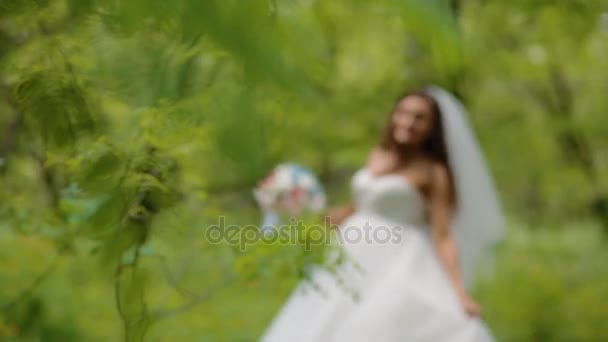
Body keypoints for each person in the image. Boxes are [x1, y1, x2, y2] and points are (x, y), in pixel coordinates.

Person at [259, 86, 505, 341]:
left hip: (399, 259)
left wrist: (460, 293)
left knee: (378, 324)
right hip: (350, 251)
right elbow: (357, 207)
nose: (408, 122)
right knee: (326, 318)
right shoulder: (379, 154)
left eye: (420, 117)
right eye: (404, 112)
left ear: (432, 127)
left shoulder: (433, 172)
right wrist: (301, 208)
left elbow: (443, 235)